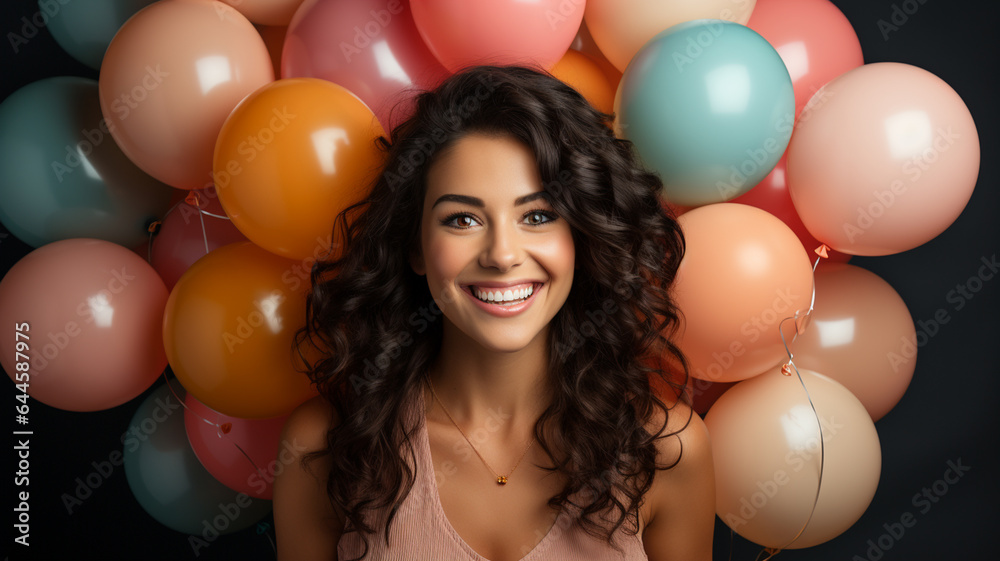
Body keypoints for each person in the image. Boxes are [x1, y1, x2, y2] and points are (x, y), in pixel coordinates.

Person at [273, 64, 715, 561]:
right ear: (416, 246)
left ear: (581, 238)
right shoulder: (325, 449)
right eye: (462, 219)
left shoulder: (667, 451)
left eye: (538, 216)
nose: (502, 255)